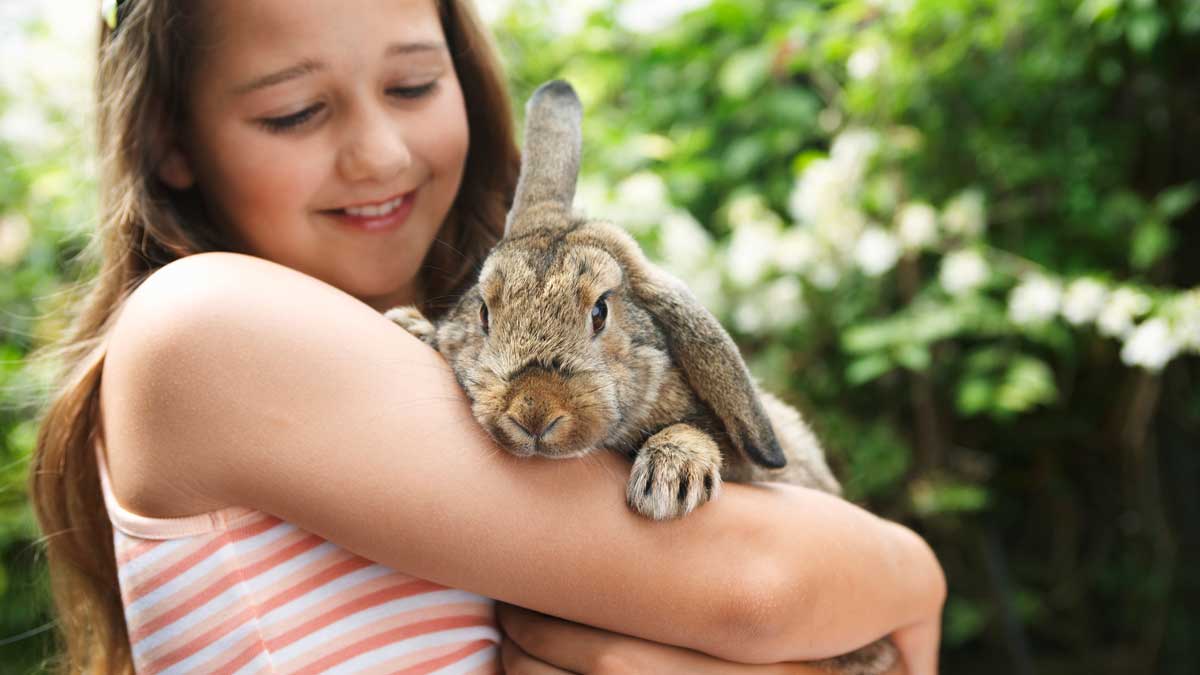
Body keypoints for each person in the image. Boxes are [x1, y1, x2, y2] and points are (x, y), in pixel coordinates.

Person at [28, 0, 946, 673]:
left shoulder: (439, 347)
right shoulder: (203, 327)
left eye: (415, 84)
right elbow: (760, 583)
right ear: (168, 139)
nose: (381, 153)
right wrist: (911, 569)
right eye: (294, 112)